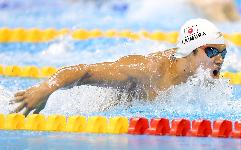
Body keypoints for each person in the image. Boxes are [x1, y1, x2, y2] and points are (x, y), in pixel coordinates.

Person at [10, 18, 227, 116]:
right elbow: (86, 71)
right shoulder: (146, 70)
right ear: (191, 50)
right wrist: (46, 88)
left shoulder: (206, 79)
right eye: (212, 51)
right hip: (98, 114)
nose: (219, 59)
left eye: (222, 52)